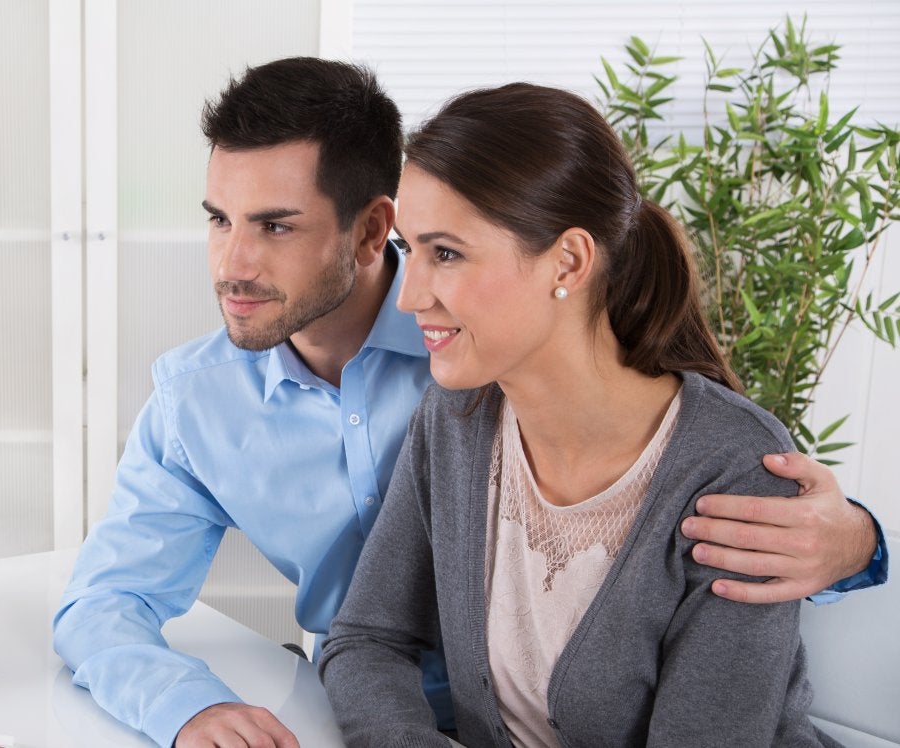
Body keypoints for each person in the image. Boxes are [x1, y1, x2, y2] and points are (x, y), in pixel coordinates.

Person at [53, 57, 886, 748]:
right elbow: (117, 605)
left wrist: (859, 541)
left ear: (374, 229)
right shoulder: (427, 405)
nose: (232, 263)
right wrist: (187, 707)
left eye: (275, 226)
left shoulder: (491, 354)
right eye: (217, 220)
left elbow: (737, 510)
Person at [319, 83, 841, 746]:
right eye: (409, 250)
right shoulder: (456, 420)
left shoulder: (736, 472)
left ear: (568, 260)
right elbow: (368, 638)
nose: (409, 295)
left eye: (445, 253)